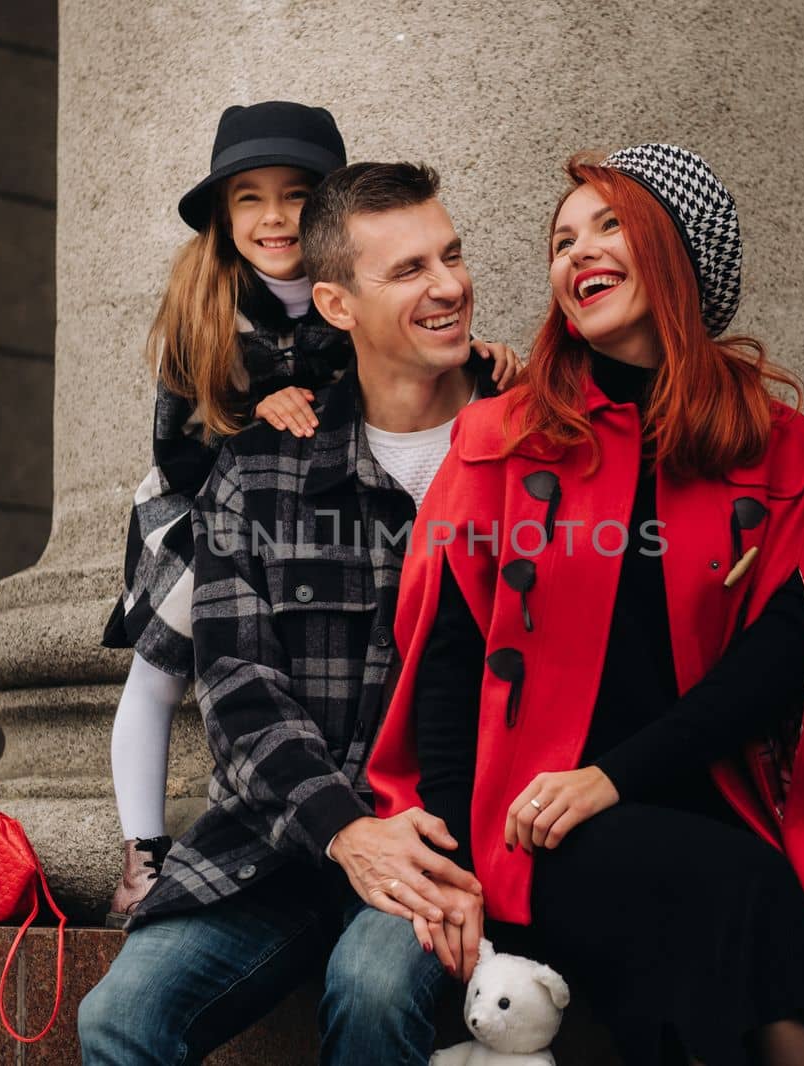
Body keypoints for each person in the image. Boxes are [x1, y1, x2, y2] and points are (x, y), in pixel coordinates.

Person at [368, 145, 804, 1066]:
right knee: (738, 897)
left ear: (678, 253)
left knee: (720, 912)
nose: (577, 253)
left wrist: (613, 777)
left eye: (609, 224)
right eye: (562, 238)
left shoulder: (778, 445)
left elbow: (776, 663)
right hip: (533, 828)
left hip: (697, 798)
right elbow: (446, 660)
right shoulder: (498, 440)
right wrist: (460, 867)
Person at [79, 162, 511, 1065]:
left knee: (375, 986)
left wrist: (434, 844)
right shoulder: (262, 465)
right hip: (278, 846)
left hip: (443, 842)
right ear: (337, 305)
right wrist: (345, 832)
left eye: (452, 256)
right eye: (409, 271)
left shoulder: (527, 450)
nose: (450, 287)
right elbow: (238, 687)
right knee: (117, 1018)